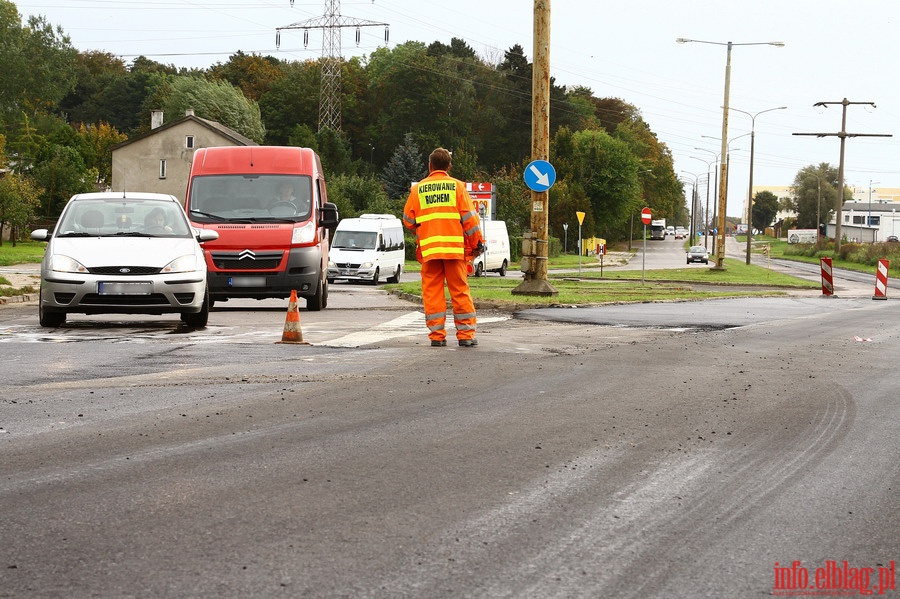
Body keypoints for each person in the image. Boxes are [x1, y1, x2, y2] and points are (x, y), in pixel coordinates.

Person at [403, 148, 484, 348]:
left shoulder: (418, 189)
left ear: (430, 166)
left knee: (432, 293)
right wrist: (477, 244)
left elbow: (408, 221)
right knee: (459, 291)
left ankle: (437, 336)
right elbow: (470, 220)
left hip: (430, 251)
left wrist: (425, 228)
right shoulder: (457, 187)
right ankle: (465, 335)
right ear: (449, 166)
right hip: (454, 250)